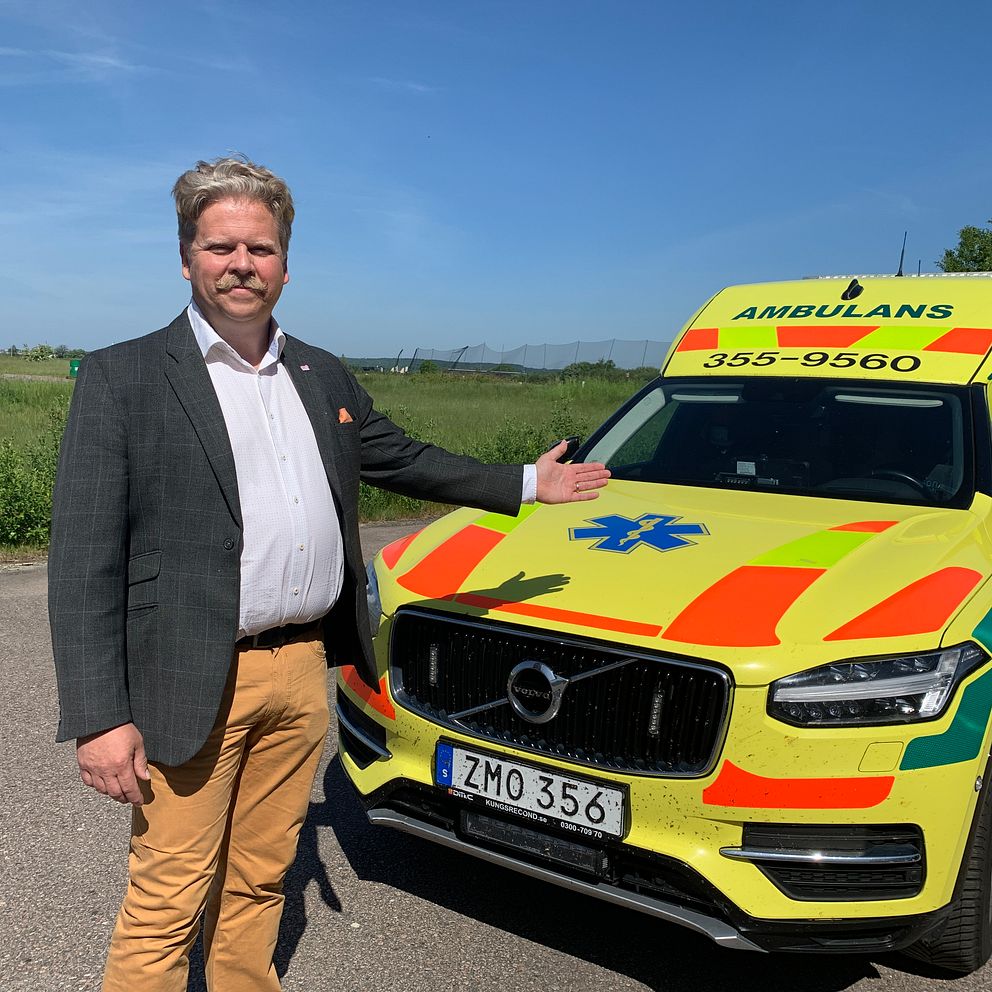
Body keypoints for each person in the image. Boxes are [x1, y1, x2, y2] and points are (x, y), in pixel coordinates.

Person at [48, 156, 609, 992]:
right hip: (188, 676)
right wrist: (100, 718)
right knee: (168, 896)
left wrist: (528, 483)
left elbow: (404, 458)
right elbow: (82, 562)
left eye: (261, 248)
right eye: (221, 247)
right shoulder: (123, 377)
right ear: (186, 257)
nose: (242, 264)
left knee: (261, 876)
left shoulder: (319, 373)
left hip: (302, 669)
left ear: (286, 263)